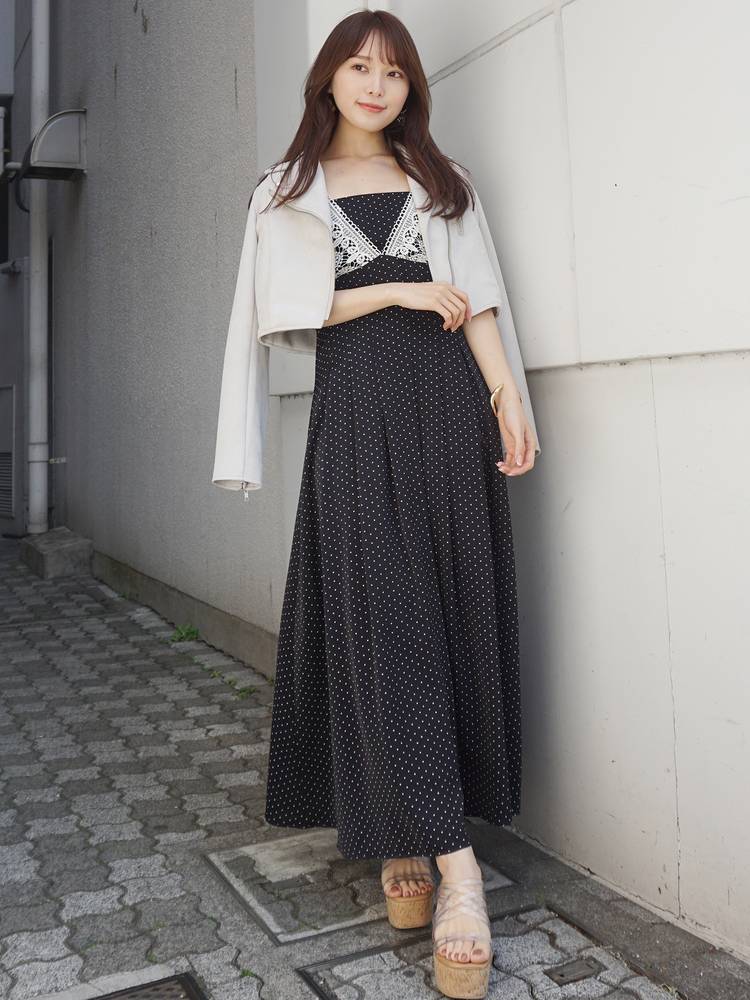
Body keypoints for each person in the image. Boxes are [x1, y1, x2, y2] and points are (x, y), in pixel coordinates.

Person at [217, 10, 540, 999]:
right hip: (358, 416)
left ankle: (407, 833)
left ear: (411, 90)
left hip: (446, 413)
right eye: (358, 67)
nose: (374, 85)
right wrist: (395, 294)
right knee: (384, 622)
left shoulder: (442, 181)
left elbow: (478, 296)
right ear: (328, 78)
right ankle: (459, 875)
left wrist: (507, 396)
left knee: (444, 618)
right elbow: (286, 311)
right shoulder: (286, 188)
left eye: (393, 73)